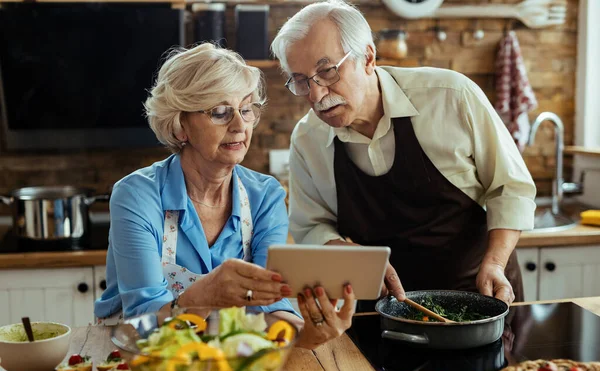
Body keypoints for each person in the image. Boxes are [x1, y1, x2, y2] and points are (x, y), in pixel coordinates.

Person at [271, 0, 536, 311]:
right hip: (383, 310)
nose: (315, 95)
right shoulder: (307, 139)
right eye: (301, 81)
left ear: (367, 58)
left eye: (327, 71)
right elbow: (311, 225)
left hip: (479, 298)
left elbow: (510, 188)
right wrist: (347, 255)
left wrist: (494, 264)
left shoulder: (450, 97)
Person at [94, 43, 355, 349]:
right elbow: (143, 318)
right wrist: (204, 295)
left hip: (227, 356)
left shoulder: (265, 196)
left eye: (246, 110)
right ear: (181, 127)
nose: (239, 125)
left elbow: (269, 309)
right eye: (220, 112)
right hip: (141, 357)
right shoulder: (138, 195)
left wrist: (307, 332)